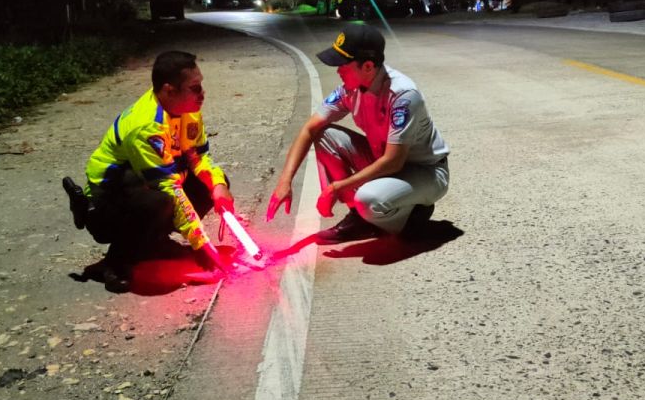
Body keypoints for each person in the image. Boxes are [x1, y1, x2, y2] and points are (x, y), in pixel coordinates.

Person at [62, 50, 234, 292]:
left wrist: (218, 185)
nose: (202, 93)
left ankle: (154, 243)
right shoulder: (146, 126)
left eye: (201, 85)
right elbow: (169, 188)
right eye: (195, 88)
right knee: (159, 202)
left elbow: (198, 158)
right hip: (109, 195)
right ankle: (117, 261)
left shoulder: (187, 109)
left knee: (210, 184)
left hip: (149, 183)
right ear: (169, 90)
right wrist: (202, 245)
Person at [265, 24, 450, 243]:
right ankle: (360, 216)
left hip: (425, 171)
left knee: (368, 200)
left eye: (343, 65)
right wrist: (284, 182)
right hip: (384, 160)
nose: (338, 71)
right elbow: (309, 128)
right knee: (323, 134)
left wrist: (337, 187)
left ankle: (410, 214)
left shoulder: (403, 95)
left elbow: (394, 162)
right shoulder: (350, 89)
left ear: (368, 66)